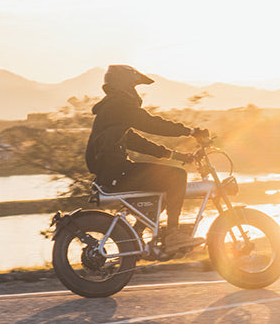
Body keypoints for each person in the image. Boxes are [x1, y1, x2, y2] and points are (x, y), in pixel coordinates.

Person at [84, 64, 209, 252]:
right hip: (116, 171)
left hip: (113, 170)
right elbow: (152, 124)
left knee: (162, 189)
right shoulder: (119, 104)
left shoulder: (112, 108)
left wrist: (177, 155)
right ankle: (173, 235)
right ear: (124, 84)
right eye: (133, 86)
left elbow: (137, 142)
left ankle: (137, 233)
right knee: (177, 177)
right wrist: (190, 131)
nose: (135, 91)